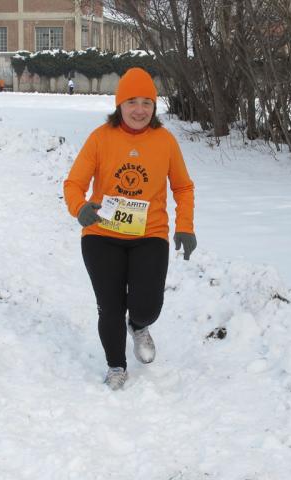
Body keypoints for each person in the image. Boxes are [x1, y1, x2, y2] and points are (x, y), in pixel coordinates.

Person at [63, 67, 197, 390]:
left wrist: (185, 226)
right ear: (119, 104)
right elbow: (74, 183)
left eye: (147, 102)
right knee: (110, 306)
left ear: (154, 106)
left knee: (147, 305)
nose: (139, 110)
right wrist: (80, 208)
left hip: (149, 235)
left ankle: (138, 325)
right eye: (132, 102)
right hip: (101, 235)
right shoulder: (100, 138)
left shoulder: (164, 141)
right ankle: (116, 365)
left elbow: (183, 187)